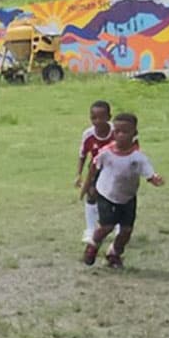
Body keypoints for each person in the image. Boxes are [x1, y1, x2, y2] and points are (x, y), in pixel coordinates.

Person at [81, 112, 164, 267]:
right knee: (106, 226)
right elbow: (93, 167)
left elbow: (149, 173)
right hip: (106, 194)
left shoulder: (138, 158)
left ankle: (114, 253)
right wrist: (90, 186)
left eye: (125, 132)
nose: (121, 135)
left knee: (126, 231)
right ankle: (93, 245)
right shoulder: (106, 153)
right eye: (117, 132)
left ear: (134, 134)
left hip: (127, 197)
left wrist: (155, 179)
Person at [74, 100, 115, 244]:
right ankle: (90, 229)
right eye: (93, 118)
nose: (97, 121)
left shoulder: (116, 132)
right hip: (95, 169)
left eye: (101, 117)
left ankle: (116, 225)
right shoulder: (88, 134)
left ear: (109, 117)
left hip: (114, 171)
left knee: (114, 197)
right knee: (91, 195)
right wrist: (78, 175)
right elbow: (82, 155)